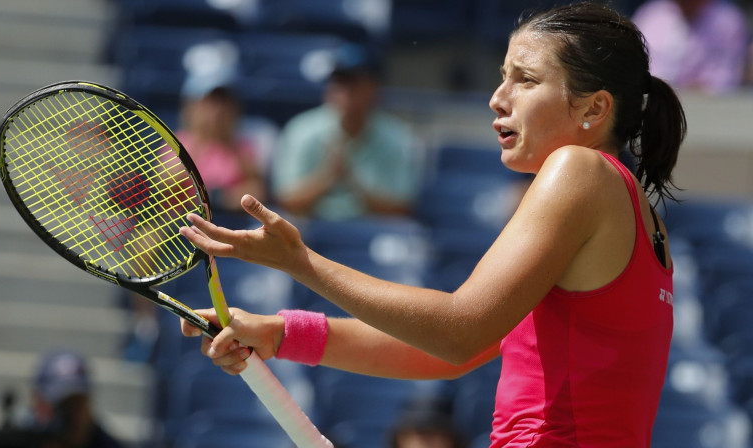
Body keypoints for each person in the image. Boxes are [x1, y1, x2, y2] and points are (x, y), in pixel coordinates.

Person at [179, 2, 686, 446]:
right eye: (503, 75)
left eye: (525, 80)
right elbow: (451, 356)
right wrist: (281, 332)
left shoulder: (581, 171)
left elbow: (457, 333)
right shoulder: (636, 211)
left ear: (595, 109)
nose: (498, 97)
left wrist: (301, 262)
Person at [270, 43, 423, 220]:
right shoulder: (301, 130)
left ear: (373, 87)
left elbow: (402, 208)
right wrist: (328, 177)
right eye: (339, 82)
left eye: (353, 82)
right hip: (310, 231)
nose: (344, 91)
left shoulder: (398, 137)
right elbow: (285, 200)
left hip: (372, 233)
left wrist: (352, 181)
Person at [176, 85, 268, 212]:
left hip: (231, 223)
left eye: (223, 103)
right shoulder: (178, 142)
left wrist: (221, 199)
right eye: (211, 103)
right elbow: (165, 186)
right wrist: (199, 139)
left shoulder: (242, 147)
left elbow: (257, 191)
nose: (218, 111)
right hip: (183, 220)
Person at [632, 0, 749, 94]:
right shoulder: (651, 15)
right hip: (655, 102)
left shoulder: (728, 20)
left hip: (710, 107)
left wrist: (696, 89)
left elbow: (727, 78)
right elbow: (635, 65)